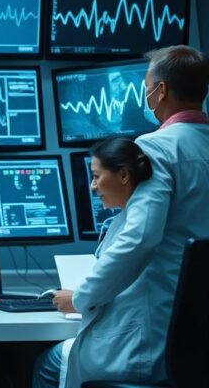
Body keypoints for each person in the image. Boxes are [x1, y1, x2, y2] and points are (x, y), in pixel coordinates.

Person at [50, 45, 209, 388]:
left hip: (150, 336)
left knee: (49, 366)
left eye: (147, 84)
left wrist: (80, 297)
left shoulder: (156, 147)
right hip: (197, 342)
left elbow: (140, 238)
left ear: (161, 90)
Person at [32, 137, 153, 388]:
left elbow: (115, 270)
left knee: (47, 364)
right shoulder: (128, 220)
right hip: (134, 337)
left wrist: (77, 300)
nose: (92, 187)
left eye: (97, 176)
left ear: (123, 176)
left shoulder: (134, 232)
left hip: (128, 346)